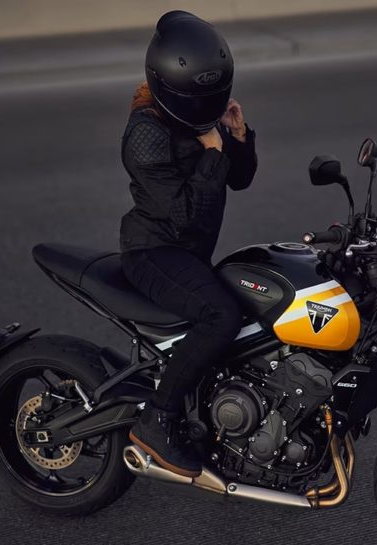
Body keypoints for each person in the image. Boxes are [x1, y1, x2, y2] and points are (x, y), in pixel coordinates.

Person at [119, 10, 257, 477]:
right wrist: (213, 151)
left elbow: (240, 179)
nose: (208, 106)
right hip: (153, 253)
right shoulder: (146, 135)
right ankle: (156, 422)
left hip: (189, 252)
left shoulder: (203, 121)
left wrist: (237, 135)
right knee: (221, 316)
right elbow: (184, 213)